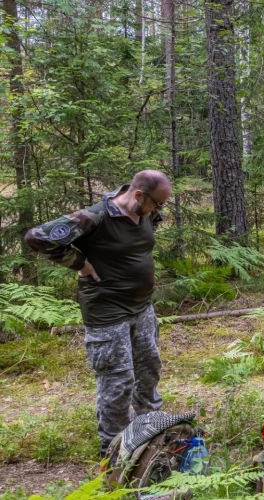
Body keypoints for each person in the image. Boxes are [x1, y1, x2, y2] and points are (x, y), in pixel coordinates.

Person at [24, 170, 172, 457]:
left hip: (142, 306)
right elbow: (37, 237)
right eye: (157, 204)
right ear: (138, 195)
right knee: (118, 382)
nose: (159, 211)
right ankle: (115, 451)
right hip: (107, 311)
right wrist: (79, 261)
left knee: (149, 369)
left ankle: (150, 431)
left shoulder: (146, 214)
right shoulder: (95, 217)